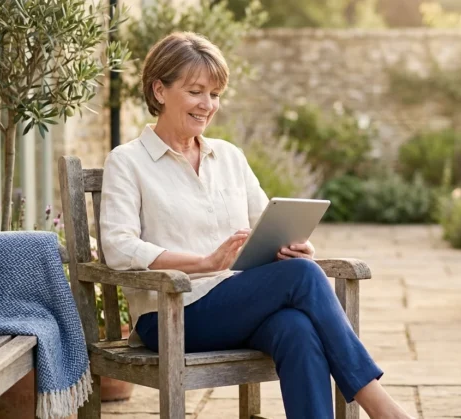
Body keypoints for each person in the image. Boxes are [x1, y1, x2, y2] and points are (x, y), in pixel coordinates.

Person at [100, 31, 413, 419]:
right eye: (196, 91)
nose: (207, 105)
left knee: (296, 327)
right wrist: (203, 263)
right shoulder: (128, 162)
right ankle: (380, 405)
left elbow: (266, 223)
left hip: (237, 303)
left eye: (215, 94)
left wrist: (294, 246)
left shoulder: (229, 156)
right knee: (302, 277)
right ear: (159, 90)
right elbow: (116, 246)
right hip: (170, 315)